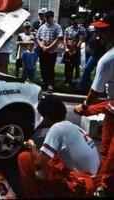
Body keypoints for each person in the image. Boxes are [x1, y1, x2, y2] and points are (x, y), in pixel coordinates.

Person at [18, 95, 101, 198]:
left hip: (80, 187)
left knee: (24, 157)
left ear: (47, 116)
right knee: (52, 158)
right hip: (93, 182)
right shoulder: (74, 127)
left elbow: (38, 163)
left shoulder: (57, 128)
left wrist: (32, 145)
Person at [74, 10, 114, 196]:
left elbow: (94, 93)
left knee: (107, 150)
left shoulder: (108, 59)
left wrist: (84, 107)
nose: (99, 35)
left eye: (104, 30)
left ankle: (104, 186)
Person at [78, 13, 107, 92]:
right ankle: (84, 87)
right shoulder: (92, 28)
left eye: (96, 19)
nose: (94, 21)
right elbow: (88, 39)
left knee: (96, 71)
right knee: (87, 70)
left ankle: (95, 89)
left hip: (101, 53)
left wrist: (100, 38)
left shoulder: (104, 29)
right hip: (93, 51)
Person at [36, 10, 63, 92]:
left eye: (49, 17)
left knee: (50, 68)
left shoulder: (57, 26)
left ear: (52, 17)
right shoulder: (42, 27)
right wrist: (41, 46)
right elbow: (37, 38)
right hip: (43, 50)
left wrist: (49, 47)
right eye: (46, 17)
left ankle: (50, 85)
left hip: (52, 51)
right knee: (43, 68)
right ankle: (44, 83)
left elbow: (58, 38)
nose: (47, 19)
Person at [62, 14, 86, 87]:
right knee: (67, 65)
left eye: (75, 19)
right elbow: (65, 39)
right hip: (68, 49)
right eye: (72, 19)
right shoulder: (67, 29)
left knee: (74, 65)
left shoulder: (81, 29)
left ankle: (74, 80)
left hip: (76, 50)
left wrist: (75, 50)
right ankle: (66, 79)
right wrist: (66, 48)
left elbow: (80, 40)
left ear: (77, 19)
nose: (73, 20)